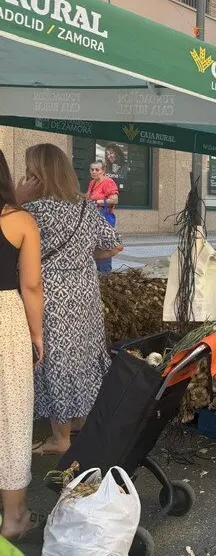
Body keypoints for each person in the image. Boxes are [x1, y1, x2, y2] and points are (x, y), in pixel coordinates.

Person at [16, 144, 123, 456]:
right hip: (85, 290)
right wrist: (82, 257)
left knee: (53, 360)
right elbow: (114, 244)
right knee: (84, 355)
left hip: (49, 292)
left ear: (36, 172)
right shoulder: (84, 206)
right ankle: (81, 425)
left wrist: (16, 200)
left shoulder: (31, 210)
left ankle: (60, 439)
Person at [0, 149, 45, 541]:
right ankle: (14, 518)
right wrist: (36, 335)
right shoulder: (20, 222)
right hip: (5, 321)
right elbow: (31, 286)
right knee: (11, 416)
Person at [86, 161, 119, 274]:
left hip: (104, 220)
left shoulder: (108, 182)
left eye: (97, 169)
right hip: (93, 219)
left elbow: (114, 200)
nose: (94, 172)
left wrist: (96, 202)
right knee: (94, 246)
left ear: (103, 171)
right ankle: (98, 273)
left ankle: (105, 274)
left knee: (104, 245)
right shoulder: (92, 183)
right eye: (92, 169)